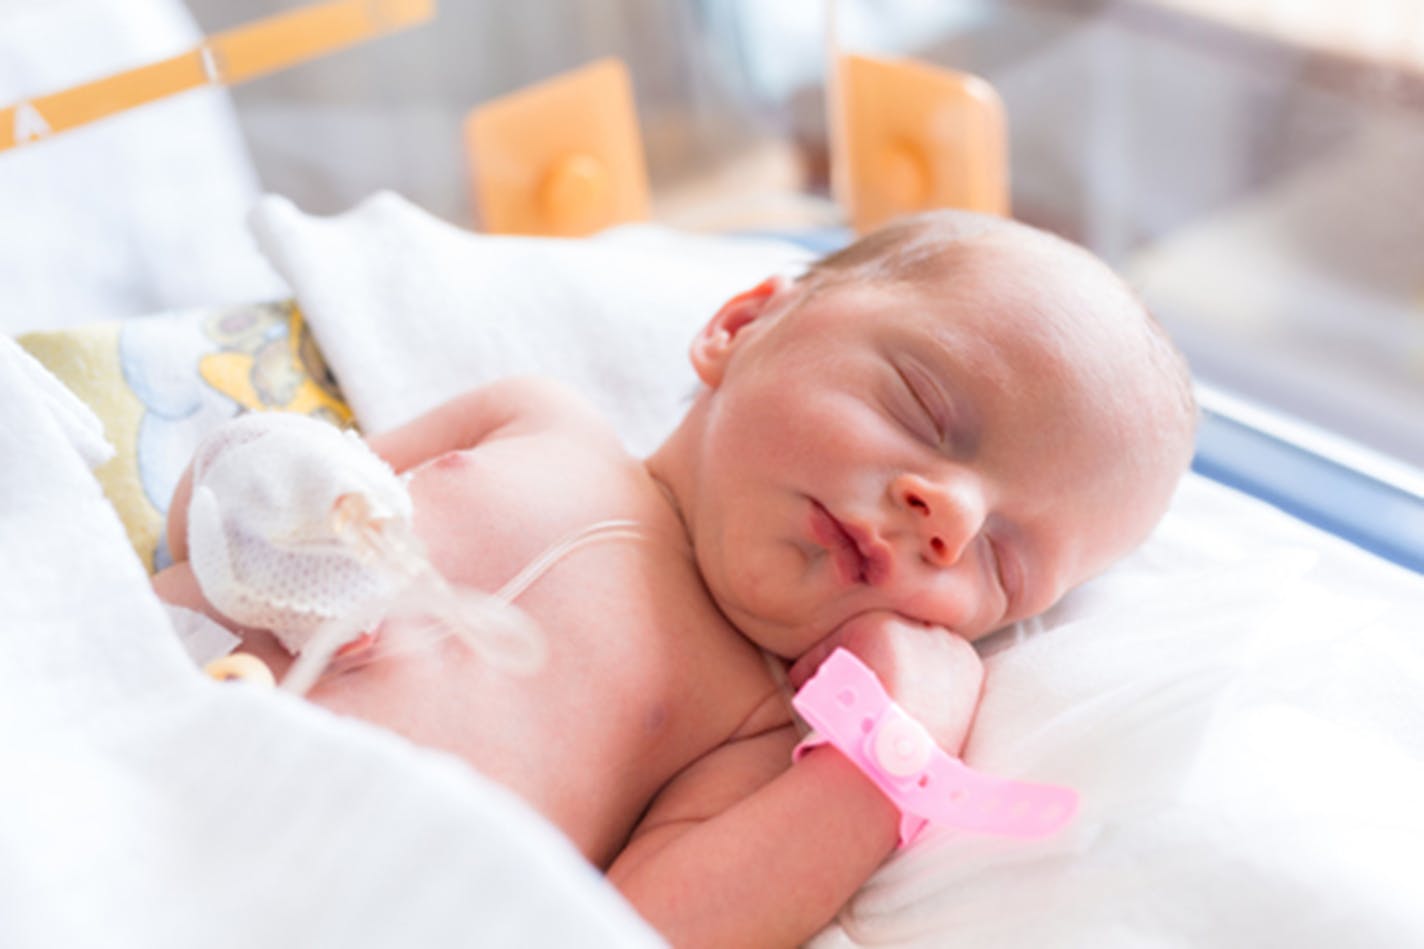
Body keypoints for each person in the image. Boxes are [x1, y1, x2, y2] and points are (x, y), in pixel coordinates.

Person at [153, 209, 1196, 948]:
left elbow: (659, 928)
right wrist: (260, 483)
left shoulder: (748, 721)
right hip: (124, 710)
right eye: (925, 408)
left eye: (1000, 561)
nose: (948, 517)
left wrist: (880, 764)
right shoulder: (532, 417)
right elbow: (215, 510)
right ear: (741, 326)